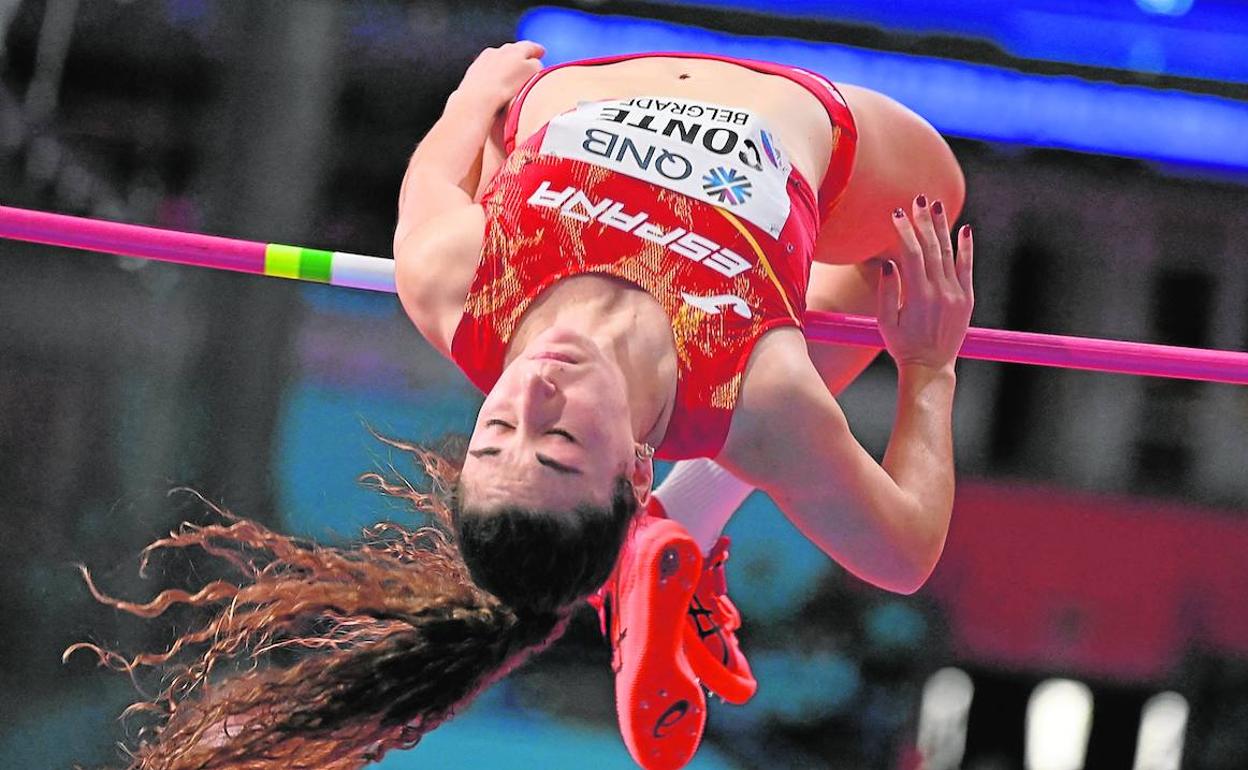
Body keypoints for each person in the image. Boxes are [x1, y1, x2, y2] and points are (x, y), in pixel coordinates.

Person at [74, 41, 970, 770]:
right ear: (630, 463)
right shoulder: (757, 395)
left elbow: (424, 196)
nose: (535, 388)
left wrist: (472, 98)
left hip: (574, 76)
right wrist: (928, 363)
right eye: (560, 442)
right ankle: (681, 518)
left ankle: (679, 522)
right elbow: (903, 554)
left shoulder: (459, 290)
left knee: (502, 163)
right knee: (932, 213)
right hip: (803, 111)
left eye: (496, 429)